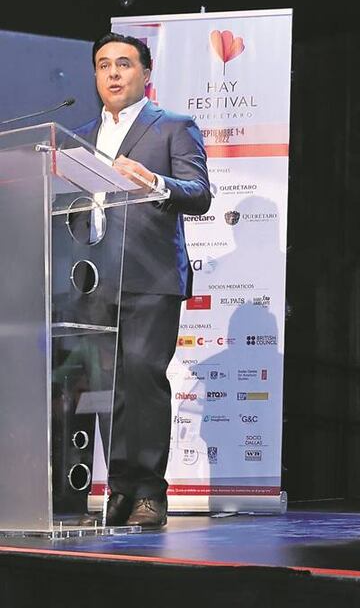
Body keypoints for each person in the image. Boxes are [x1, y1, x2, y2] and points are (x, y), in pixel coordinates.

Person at [76, 33, 212, 529]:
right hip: (92, 281)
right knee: (106, 388)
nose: (113, 73)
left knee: (143, 378)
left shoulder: (173, 126)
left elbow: (199, 194)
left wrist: (153, 183)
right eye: (103, 65)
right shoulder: (78, 135)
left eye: (124, 64)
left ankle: (151, 492)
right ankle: (118, 489)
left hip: (151, 277)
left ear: (146, 74)